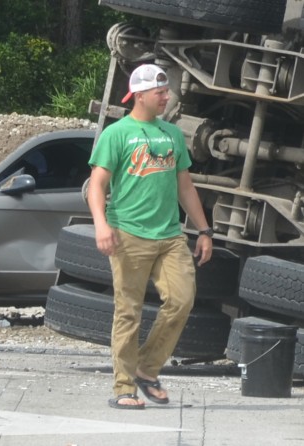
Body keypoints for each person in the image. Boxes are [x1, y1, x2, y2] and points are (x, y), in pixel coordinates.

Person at [87, 64, 213, 410]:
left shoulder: (172, 134)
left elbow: (184, 186)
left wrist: (203, 230)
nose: (166, 96)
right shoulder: (117, 134)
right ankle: (123, 387)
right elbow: (96, 185)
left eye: (166, 91)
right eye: (160, 92)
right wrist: (101, 224)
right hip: (128, 234)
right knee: (128, 312)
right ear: (139, 95)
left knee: (182, 300)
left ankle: (146, 368)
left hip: (171, 235)